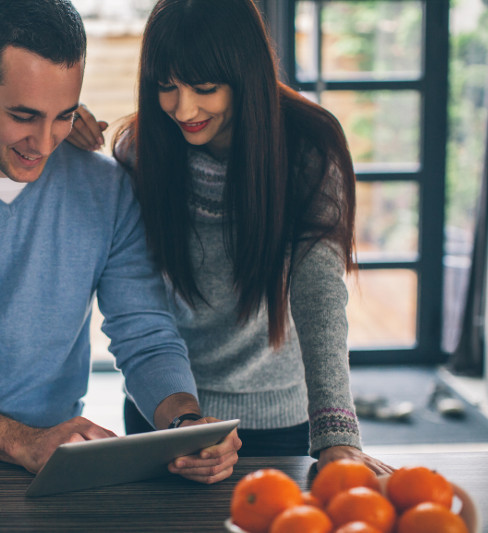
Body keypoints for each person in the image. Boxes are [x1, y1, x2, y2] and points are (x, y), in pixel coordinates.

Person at [0, 0, 240, 483]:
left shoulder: (107, 189)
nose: (46, 142)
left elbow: (146, 336)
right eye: (24, 115)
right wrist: (22, 441)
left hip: (47, 468)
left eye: (64, 116)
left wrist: (185, 425)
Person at [67, 0, 391, 474]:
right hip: (167, 415)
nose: (183, 108)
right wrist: (57, 130)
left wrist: (337, 435)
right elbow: (134, 301)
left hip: (281, 417)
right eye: (166, 86)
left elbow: (319, 292)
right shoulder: (141, 150)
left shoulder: (309, 145)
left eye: (204, 87)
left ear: (245, 76)